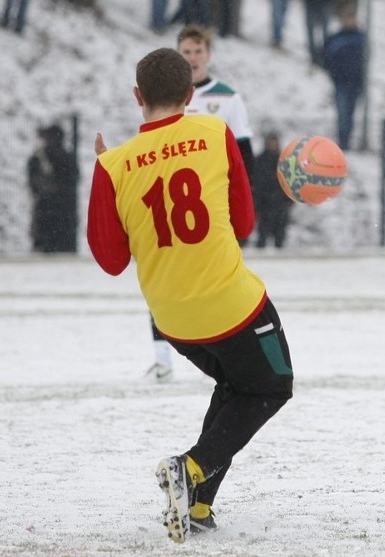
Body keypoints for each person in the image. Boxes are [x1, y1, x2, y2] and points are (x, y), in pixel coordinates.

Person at [87, 47, 294, 543]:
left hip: (173, 321)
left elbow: (112, 260)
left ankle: (198, 503)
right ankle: (190, 467)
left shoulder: (113, 165)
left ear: (138, 97)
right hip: (232, 304)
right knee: (273, 384)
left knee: (236, 386)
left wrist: (105, 180)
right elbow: (245, 223)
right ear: (189, 95)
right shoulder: (213, 132)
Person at [140, 23, 257, 382]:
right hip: (171, 205)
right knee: (163, 279)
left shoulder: (227, 98)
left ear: (208, 55)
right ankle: (162, 359)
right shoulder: (162, 97)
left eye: (197, 52)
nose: (192, 58)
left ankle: (225, 356)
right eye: (185, 52)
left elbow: (245, 156)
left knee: (218, 281)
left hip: (213, 208)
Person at [27, 123, 79, 253]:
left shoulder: (40, 158)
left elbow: (33, 181)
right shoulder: (66, 157)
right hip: (62, 211)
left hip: (47, 209)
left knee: (47, 244)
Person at [323, 6, 365, 151]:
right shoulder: (337, 38)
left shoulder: (360, 38)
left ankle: (346, 141)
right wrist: (335, 75)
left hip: (355, 83)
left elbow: (364, 61)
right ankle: (342, 141)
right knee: (342, 114)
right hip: (341, 83)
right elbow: (328, 58)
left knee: (350, 114)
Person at [252, 131, 293, 248]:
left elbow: (290, 183)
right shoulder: (259, 161)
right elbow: (255, 183)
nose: (272, 145)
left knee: (280, 238)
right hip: (264, 206)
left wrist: (287, 202)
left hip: (280, 206)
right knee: (261, 238)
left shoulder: (284, 162)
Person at [304, 0, 333, 66]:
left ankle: (324, 56)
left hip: (325, 3)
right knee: (311, 31)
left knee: (325, 32)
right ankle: (313, 56)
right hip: (311, 4)